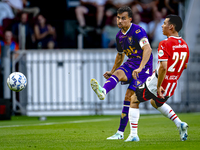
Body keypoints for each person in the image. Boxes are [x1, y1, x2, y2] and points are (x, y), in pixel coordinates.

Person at [90, 6, 153, 140]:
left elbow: (148, 49)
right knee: (117, 74)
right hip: (131, 64)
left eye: (123, 18)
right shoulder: (119, 36)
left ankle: (121, 132)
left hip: (143, 67)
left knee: (128, 96)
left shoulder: (138, 31)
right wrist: (112, 72)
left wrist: (141, 67)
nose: (120, 21)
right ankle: (103, 92)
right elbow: (120, 56)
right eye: (118, 18)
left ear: (130, 19)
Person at [125, 14, 189, 142]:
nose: (162, 25)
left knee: (134, 99)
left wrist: (159, 85)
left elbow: (163, 67)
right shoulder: (184, 45)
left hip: (159, 82)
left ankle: (133, 135)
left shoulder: (165, 43)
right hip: (172, 84)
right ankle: (179, 124)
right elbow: (184, 66)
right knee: (155, 102)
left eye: (164, 23)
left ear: (171, 27)